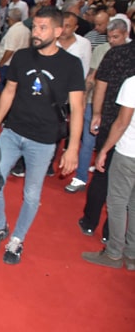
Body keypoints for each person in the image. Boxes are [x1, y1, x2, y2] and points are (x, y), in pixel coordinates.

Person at [0, 7, 85, 265]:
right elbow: (9, 91)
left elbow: (77, 108)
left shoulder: (71, 65)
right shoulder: (21, 57)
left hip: (43, 141)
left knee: (31, 194)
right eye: (34, 27)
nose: (36, 33)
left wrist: (72, 148)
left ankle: (17, 239)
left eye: (42, 28)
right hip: (12, 132)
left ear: (58, 31)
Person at [79, 32, 135, 240]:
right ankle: (110, 234)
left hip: (111, 121)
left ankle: (89, 222)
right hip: (119, 125)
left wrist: (97, 113)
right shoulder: (116, 54)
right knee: (128, 189)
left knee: (102, 173)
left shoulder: (116, 53)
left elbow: (100, 85)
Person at [67, 18, 131, 193]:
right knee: (88, 143)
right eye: (109, 37)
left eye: (116, 37)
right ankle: (80, 177)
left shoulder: (130, 52)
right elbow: (93, 79)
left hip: (123, 110)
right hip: (96, 104)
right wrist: (89, 104)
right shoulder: (102, 50)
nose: (112, 41)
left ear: (126, 34)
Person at [81, 75, 135, 270]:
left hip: (128, 153)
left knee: (117, 203)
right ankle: (132, 254)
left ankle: (114, 253)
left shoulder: (132, 83)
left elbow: (122, 122)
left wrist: (104, 150)